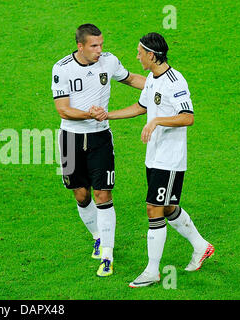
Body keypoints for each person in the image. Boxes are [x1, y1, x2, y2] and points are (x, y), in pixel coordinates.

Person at [90, 32, 214, 287]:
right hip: (154, 157)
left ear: (152, 55)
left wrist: (158, 121)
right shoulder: (152, 80)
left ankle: (152, 271)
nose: (136, 56)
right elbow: (140, 107)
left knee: (153, 209)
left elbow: (188, 116)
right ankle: (201, 246)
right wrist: (107, 116)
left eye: (139, 52)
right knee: (167, 208)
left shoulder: (174, 81)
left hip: (170, 159)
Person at [51, 23, 146, 277]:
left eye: (101, 44)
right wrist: (89, 113)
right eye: (94, 46)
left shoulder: (109, 62)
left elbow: (131, 78)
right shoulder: (62, 69)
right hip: (70, 139)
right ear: (80, 46)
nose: (99, 50)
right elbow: (63, 109)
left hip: (100, 139)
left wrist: (159, 85)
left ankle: (107, 254)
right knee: (81, 195)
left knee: (103, 195)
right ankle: (97, 235)